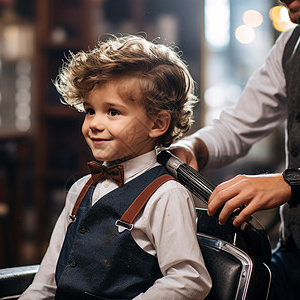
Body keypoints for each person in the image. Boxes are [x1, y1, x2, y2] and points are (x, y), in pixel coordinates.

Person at [171, 0, 300, 299]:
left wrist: (291, 183)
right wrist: (193, 147)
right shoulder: (291, 41)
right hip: (291, 255)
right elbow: (240, 123)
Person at [20, 35, 212, 300]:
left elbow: (189, 279)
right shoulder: (79, 190)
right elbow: (47, 281)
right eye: (90, 110)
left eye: (112, 112)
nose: (95, 124)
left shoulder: (166, 195)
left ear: (157, 124)